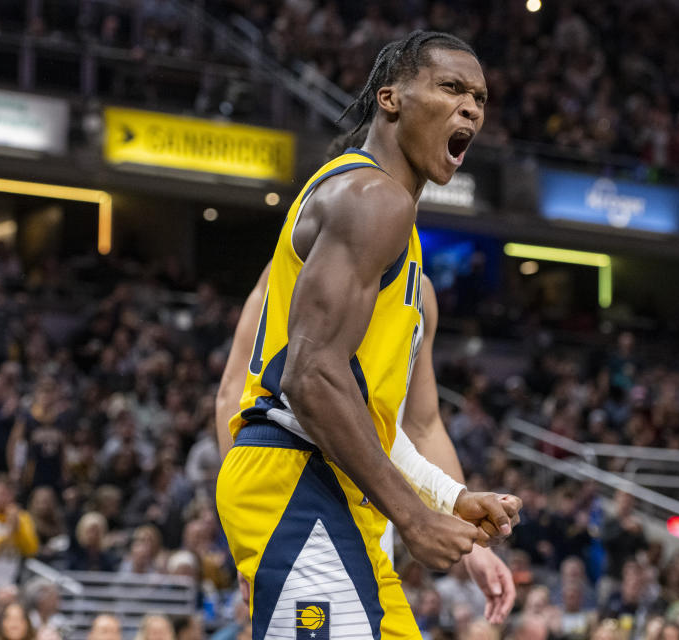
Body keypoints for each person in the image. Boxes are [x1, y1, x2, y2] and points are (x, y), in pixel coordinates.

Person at [214, 30, 518, 639]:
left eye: (480, 98)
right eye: (451, 88)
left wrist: (448, 501)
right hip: (298, 484)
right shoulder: (372, 199)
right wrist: (416, 520)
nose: (471, 109)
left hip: (336, 494)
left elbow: (386, 423)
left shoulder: (398, 241)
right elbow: (307, 378)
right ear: (391, 99)